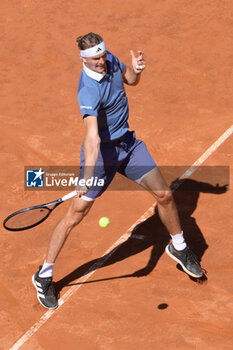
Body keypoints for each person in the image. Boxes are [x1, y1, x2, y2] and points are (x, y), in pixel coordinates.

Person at [32, 32, 203, 309]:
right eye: (95, 58)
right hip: (101, 157)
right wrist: (87, 176)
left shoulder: (110, 59)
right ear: (84, 60)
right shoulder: (87, 90)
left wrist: (135, 71)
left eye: (103, 55)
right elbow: (92, 138)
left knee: (165, 195)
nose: (102, 61)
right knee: (76, 214)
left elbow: (130, 81)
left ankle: (179, 247)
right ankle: (44, 274)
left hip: (128, 147)